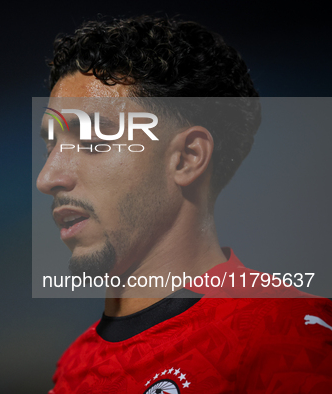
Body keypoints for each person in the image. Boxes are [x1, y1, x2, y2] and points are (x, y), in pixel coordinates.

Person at [37, 16, 332, 393]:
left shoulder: (283, 331)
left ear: (187, 158)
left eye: (93, 140)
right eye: (51, 144)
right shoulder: (75, 366)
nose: (47, 178)